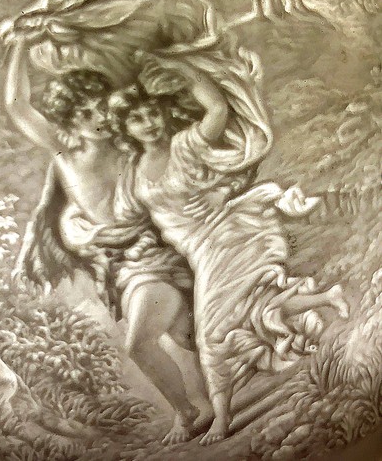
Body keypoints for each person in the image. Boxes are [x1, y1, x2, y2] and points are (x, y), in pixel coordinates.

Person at [109, 52, 349, 445]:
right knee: (251, 307)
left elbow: (217, 107)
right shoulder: (133, 173)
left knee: (213, 331)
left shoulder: (185, 144)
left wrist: (181, 68)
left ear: (162, 113)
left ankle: (222, 417)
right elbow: (128, 219)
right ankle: (328, 297)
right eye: (136, 118)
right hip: (200, 250)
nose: (148, 122)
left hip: (227, 234)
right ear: (125, 128)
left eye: (151, 113)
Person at [0, 33, 208, 444]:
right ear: (68, 121)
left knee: (159, 341)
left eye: (100, 108)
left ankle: (193, 412)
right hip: (122, 267)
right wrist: (21, 43)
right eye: (85, 113)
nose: (98, 118)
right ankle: (197, 409)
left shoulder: (128, 143)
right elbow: (17, 105)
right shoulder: (65, 153)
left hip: (159, 252)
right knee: (182, 336)